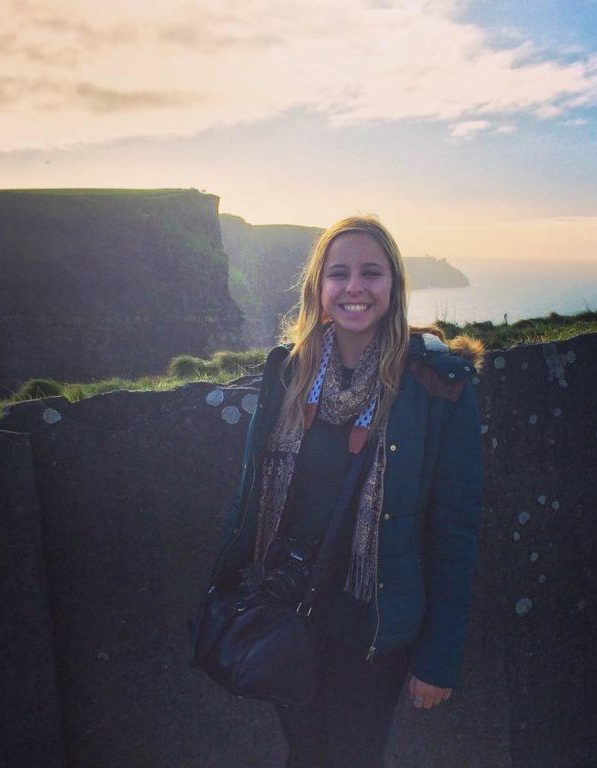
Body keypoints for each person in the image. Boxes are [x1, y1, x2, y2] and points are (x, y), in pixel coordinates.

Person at [206, 215, 484, 768]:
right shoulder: (287, 371)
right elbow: (251, 497)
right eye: (339, 273)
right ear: (318, 288)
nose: (354, 287)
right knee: (305, 754)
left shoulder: (435, 385)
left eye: (371, 273)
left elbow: (455, 529)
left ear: (394, 286)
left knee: (356, 756)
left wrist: (439, 657)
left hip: (373, 627)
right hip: (287, 612)